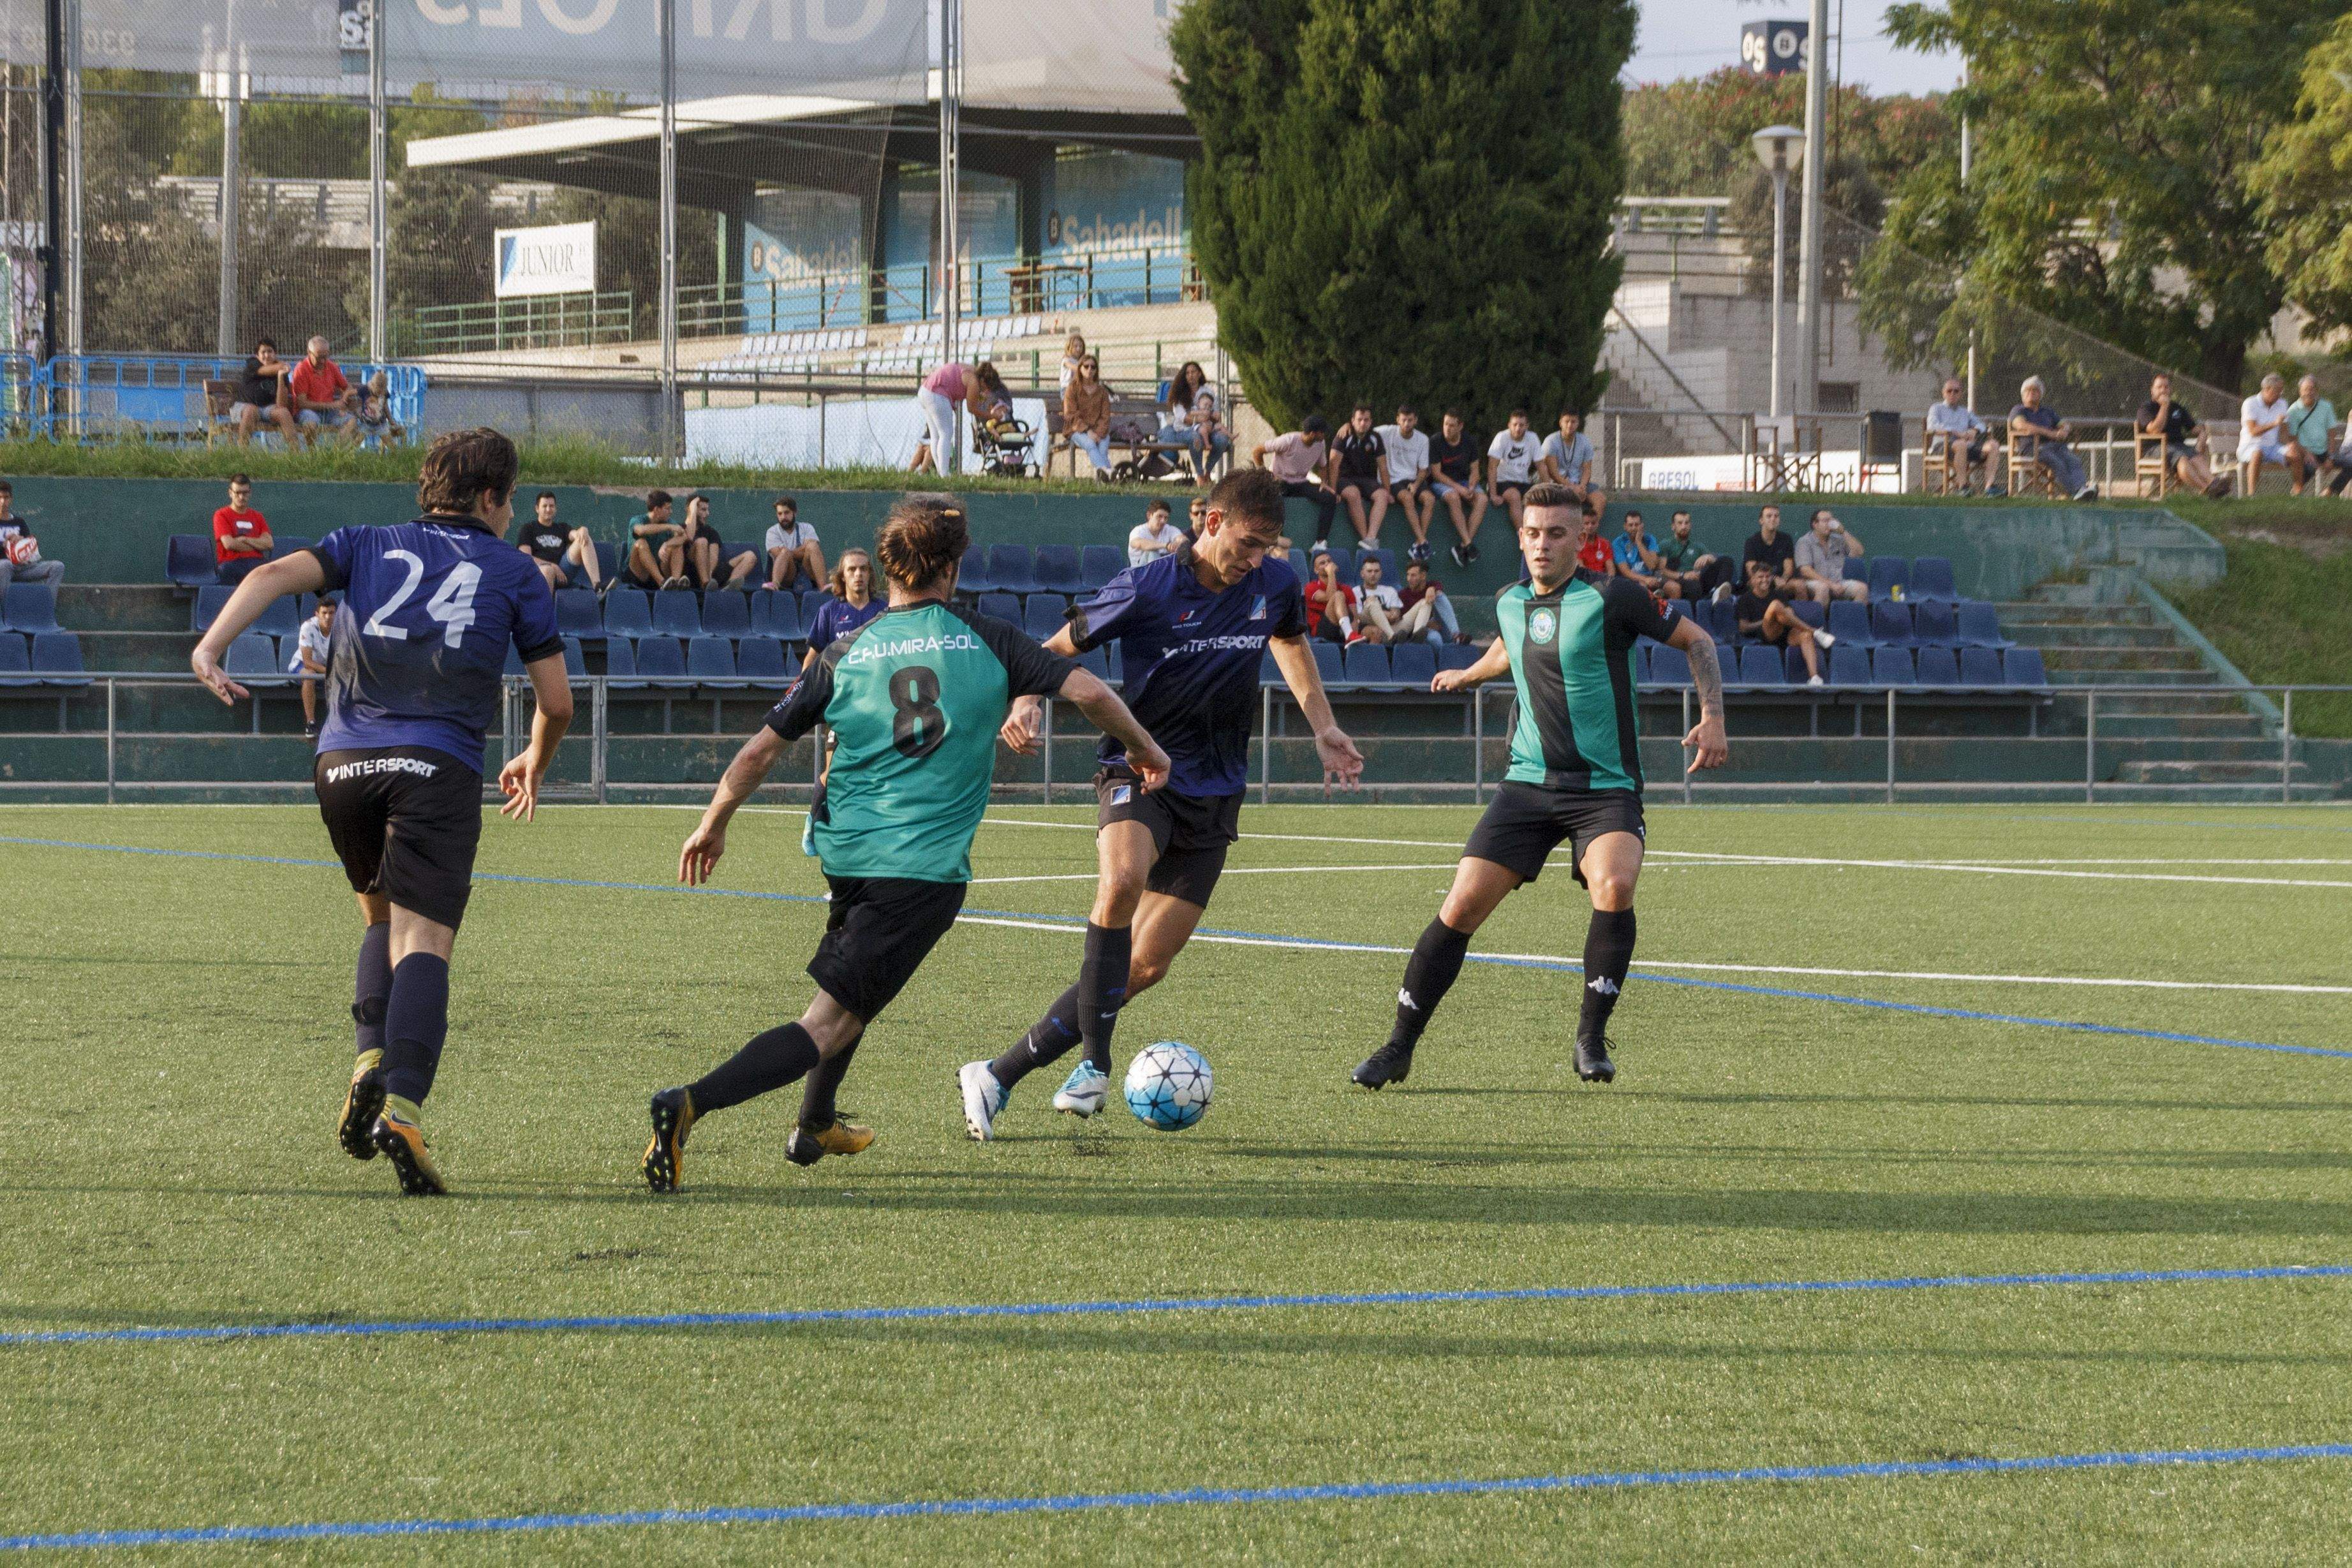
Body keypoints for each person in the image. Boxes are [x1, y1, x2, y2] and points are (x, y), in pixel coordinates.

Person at [643, 494, 1168, 1189]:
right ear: (951, 567)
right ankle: (689, 1105)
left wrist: (713, 822)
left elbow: (758, 753)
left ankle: (814, 1124)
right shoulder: (989, 637)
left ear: (888, 569)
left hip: (845, 853)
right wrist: (1148, 750)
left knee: (859, 993)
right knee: (827, 1022)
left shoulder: (844, 650)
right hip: (918, 873)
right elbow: (1094, 694)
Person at [189, 427, 572, 1196]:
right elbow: (556, 701)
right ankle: (402, 1107)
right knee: (424, 939)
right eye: (508, 501)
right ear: (493, 499)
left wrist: (209, 649)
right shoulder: (515, 568)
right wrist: (535, 755)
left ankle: (368, 1054)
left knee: (378, 918)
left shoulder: (363, 541)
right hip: (438, 765)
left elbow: (268, 573)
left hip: (344, 765)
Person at [963, 468, 1366, 1137]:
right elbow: (1057, 649)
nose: (1256, 559)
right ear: (1211, 523)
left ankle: (997, 1073)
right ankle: (1095, 1061)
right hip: (1137, 767)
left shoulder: (1274, 584)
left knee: (1146, 963)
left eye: (1268, 546)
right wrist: (1028, 698)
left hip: (1216, 792)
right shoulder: (1147, 585)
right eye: (1248, 542)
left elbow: (1290, 642)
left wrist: (1322, 724)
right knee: (1120, 881)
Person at [1352, 482, 1727, 1091]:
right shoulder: (1509, 601)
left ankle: (1589, 1037)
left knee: (1615, 883)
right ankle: (1398, 1046)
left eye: (1556, 533)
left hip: (1604, 788)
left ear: (1581, 539)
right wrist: (1469, 675)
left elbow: (1698, 641)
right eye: (1532, 532)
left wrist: (1711, 716)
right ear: (1520, 537)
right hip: (1527, 786)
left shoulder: (1614, 596)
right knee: (1460, 906)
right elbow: (1510, 646)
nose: (1542, 544)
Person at [1734, 558, 1831, 686]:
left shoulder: (1778, 594)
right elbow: (1743, 627)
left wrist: (1780, 616)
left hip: (1785, 632)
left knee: (1805, 636)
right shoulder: (1745, 599)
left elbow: (1789, 614)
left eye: (1768, 576)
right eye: (1760, 577)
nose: (1765, 580)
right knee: (1775, 606)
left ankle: (1814, 678)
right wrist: (1767, 620)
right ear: (1752, 580)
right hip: (1765, 634)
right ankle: (1815, 631)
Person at [2138, 373, 2228, 499]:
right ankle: (2207, 489)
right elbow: (2155, 431)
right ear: (2152, 390)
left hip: (2178, 446)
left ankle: (2214, 483)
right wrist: (2164, 406)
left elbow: (2193, 428)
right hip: (2155, 448)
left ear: (2170, 390)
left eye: (2166, 387)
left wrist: (2203, 433)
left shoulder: (2177, 408)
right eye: (2159, 387)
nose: (2163, 390)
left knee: (2196, 457)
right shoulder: (2146, 408)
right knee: (2182, 459)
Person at [2009, 377, 2098, 502]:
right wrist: (2051, 433)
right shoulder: (2019, 410)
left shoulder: (2048, 411)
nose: (2031, 393)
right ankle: (2077, 492)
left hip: (2055, 446)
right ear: (2023, 395)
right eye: (2028, 391)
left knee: (2074, 460)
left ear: (2040, 394)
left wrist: (2065, 430)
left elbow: (2063, 423)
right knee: (2057, 462)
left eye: (2035, 390)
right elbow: (2021, 425)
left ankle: (2082, 489)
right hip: (2033, 449)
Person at [912, 360, 1006, 475]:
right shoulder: (975, 382)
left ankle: (941, 473)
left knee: (936, 436)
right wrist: (992, 415)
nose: (986, 391)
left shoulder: (972, 371)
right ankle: (944, 475)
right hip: (937, 394)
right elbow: (972, 409)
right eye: (987, 388)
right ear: (983, 381)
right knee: (946, 434)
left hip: (925, 391)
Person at [1252, 415, 1335, 544]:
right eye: (1322, 432)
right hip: (1280, 482)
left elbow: (1323, 466)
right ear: (1313, 434)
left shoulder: (1320, 444)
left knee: (1329, 498)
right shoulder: (1288, 440)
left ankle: (1321, 542)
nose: (1325, 435)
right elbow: (1257, 451)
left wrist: (1324, 482)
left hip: (1301, 483)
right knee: (1273, 501)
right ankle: (1275, 540)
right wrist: (1263, 474)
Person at [801, 547, 884, 672]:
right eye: (852, 569)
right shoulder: (828, 611)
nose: (858, 574)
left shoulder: (885, 611)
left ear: (869, 574)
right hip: (841, 684)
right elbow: (813, 655)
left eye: (863, 569)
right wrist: (802, 686)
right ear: (843, 576)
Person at [1427, 410, 1488, 566]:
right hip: (1441, 483)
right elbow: (1436, 474)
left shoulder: (1470, 441)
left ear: (1460, 426)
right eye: (1445, 424)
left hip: (1464, 482)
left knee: (1482, 499)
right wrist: (1459, 489)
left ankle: (1462, 546)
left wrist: (1472, 486)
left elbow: (1475, 469)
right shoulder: (1435, 441)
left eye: (1452, 425)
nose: (1448, 428)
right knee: (1453, 497)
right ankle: (1468, 544)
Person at [666, 494, 757, 591]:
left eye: (708, 510)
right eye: (703, 510)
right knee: (701, 542)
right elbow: (689, 537)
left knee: (750, 556)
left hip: (710, 572)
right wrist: (693, 510)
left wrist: (709, 574)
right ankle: (705, 584)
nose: (708, 514)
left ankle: (729, 586)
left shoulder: (711, 531)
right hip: (689, 574)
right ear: (690, 509)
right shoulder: (678, 528)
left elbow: (714, 556)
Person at [1329, 403, 1387, 547]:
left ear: (1371, 422)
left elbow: (1383, 467)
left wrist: (1388, 491)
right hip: (1345, 479)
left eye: (1366, 420)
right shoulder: (1343, 436)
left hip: (1367, 480)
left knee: (1382, 496)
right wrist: (1332, 490)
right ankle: (1365, 539)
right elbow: (1333, 465)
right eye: (1360, 419)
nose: (1363, 423)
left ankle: (1370, 538)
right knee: (1353, 494)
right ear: (1353, 421)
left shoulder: (1375, 438)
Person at [515, 491, 597, 595]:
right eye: (545, 506)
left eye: (552, 506)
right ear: (537, 509)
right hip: (539, 573)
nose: (548, 509)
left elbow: (575, 535)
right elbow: (526, 557)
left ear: (556, 508)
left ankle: (597, 587)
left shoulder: (562, 528)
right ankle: (546, 609)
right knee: (548, 571)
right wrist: (552, 566)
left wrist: (582, 530)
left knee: (584, 538)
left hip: (564, 572)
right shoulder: (528, 529)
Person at [1374, 404, 1432, 548]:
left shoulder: (1423, 439)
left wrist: (1416, 485)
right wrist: (1347, 425)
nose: (1407, 424)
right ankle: (1422, 542)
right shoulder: (1386, 432)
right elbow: (1363, 428)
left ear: (1415, 421)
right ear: (1398, 420)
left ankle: (1420, 541)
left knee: (1430, 499)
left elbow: (1424, 470)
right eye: (1404, 420)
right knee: (1407, 498)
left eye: (1410, 420)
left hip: (1413, 479)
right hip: (1392, 480)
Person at [1925, 378, 1996, 494]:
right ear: (1944, 393)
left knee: (1993, 445)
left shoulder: (1965, 412)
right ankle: (1962, 487)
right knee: (1961, 444)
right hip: (1942, 447)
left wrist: (1974, 431)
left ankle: (1990, 487)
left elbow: (1981, 425)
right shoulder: (1936, 408)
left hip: (1966, 447)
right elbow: (1932, 426)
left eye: (1956, 391)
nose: (1953, 393)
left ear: (1960, 394)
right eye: (1949, 391)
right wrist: (1956, 432)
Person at [228, 337, 299, 447]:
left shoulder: (282, 372)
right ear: (257, 356)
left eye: (270, 351)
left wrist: (280, 377)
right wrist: (282, 366)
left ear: (275, 354)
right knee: (252, 410)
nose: (267, 355)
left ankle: (295, 453)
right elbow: (269, 369)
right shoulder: (252, 364)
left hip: (267, 409)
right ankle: (241, 451)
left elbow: (281, 404)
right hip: (244, 406)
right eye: (263, 352)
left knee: (283, 412)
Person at [2282, 375, 2346, 496]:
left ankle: (2329, 492)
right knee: (2310, 468)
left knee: (2350, 464)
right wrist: (2307, 454)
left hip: (2324, 453)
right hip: (2305, 454)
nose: (2308, 392)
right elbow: (2292, 439)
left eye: (2312, 389)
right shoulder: (2293, 411)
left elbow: (2332, 434)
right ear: (2300, 391)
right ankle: (2295, 493)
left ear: (2317, 391)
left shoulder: (2326, 407)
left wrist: (2330, 457)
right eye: (2305, 389)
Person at [290, 336, 359, 447]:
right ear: (309, 353)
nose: (323, 361)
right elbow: (302, 403)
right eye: (319, 357)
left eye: (326, 356)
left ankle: (334, 454)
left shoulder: (331, 366)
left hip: (330, 412)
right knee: (311, 425)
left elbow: (347, 388)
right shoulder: (301, 369)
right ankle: (312, 456)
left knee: (352, 422)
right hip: (307, 411)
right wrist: (331, 405)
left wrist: (344, 399)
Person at [1794, 507, 1868, 603]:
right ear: (1815, 524)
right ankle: (1819, 618)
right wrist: (1830, 585)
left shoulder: (1838, 539)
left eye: (1831, 520)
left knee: (1862, 589)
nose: (1829, 524)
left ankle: (1850, 618)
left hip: (1838, 582)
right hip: (1813, 583)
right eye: (1825, 521)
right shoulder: (1804, 542)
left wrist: (1843, 532)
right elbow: (1805, 571)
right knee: (1823, 589)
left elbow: (1859, 552)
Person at [1486, 410, 1542, 536]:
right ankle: (1523, 535)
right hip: (1502, 482)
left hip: (1523, 482)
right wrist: (1493, 494)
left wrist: (1548, 488)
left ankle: (1538, 532)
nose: (1518, 428)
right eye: (1515, 424)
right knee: (1514, 495)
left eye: (1522, 425)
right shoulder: (1502, 437)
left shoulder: (1532, 438)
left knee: (1538, 496)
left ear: (1527, 426)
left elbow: (1541, 466)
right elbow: (1492, 467)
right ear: (1509, 425)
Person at [1653, 509, 1729, 602]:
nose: (1684, 526)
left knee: (1727, 560)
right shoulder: (1666, 544)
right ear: (1673, 527)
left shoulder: (1698, 546)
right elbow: (1661, 570)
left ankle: (1717, 593)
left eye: (1687, 523)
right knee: (1694, 587)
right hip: (1679, 581)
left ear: (1690, 525)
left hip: (1699, 579)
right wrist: (1684, 575)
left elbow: (1714, 561)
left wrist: (1707, 557)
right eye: (1680, 523)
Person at [1060, 353, 1114, 480]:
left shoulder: (1102, 391)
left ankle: (1103, 478)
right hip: (1076, 430)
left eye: (1093, 367)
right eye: (1086, 366)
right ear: (1080, 368)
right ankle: (1108, 472)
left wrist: (1099, 433)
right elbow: (1071, 415)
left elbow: (1105, 416)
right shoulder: (1072, 389)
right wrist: (1088, 431)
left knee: (1103, 446)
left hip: (1100, 431)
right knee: (1090, 444)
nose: (1090, 370)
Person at [2239, 372, 2294, 494]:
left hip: (2273, 447)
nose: (2280, 394)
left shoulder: (2282, 404)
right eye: (2278, 391)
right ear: (2267, 389)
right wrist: (2274, 424)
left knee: (2295, 453)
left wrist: (2288, 445)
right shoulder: (2250, 403)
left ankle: (2297, 492)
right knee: (2257, 453)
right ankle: (2251, 494)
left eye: (2281, 391)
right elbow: (2253, 432)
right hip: (2250, 446)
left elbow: (2284, 430)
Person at [212, 474, 273, 584]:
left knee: (271, 570)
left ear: (250, 493)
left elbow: (269, 544)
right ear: (230, 493)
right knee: (224, 570)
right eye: (237, 493)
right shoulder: (221, 515)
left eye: (245, 493)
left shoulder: (258, 516)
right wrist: (257, 546)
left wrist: (245, 539)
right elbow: (229, 544)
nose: (241, 497)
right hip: (231, 563)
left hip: (257, 563)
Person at [0, 482, 61, 590]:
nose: (3, 502)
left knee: (57, 567)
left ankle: (46, 605)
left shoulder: (19, 522)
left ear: (11, 499)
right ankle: (7, 607)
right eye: (0, 498)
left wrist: (22, 541)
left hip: (21, 568)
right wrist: (5, 546)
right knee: (5, 565)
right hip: (3, 568)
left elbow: (31, 550)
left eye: (6, 498)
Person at [289, 595, 336, 737]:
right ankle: (311, 724)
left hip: (327, 667)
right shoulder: (308, 627)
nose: (328, 617)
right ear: (317, 614)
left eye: (332, 613)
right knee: (309, 675)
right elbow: (308, 661)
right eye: (324, 613)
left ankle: (339, 724)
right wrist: (331, 673)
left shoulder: (343, 627)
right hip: (301, 665)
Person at [1740, 504, 1805, 602]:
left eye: (1776, 516)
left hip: (1781, 582)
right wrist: (1772, 579)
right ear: (1761, 520)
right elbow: (1752, 571)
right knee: (1756, 583)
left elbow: (1789, 569)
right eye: (1769, 516)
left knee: (1800, 585)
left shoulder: (1786, 539)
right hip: (1759, 581)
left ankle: (1799, 617)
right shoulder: (1752, 542)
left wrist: (1783, 580)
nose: (1773, 519)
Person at [1541, 410, 1602, 511]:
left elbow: (1587, 469)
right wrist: (1571, 487)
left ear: (1578, 424)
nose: (1570, 425)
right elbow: (1553, 473)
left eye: (1573, 422)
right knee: (1565, 501)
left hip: (1579, 483)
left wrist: (1582, 487)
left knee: (1600, 500)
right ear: (1561, 423)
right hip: (1557, 483)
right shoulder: (1551, 441)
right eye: (1567, 421)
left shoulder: (1585, 442)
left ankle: (1588, 526)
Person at [764, 496, 826, 593]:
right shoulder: (772, 532)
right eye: (780, 514)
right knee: (784, 553)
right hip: (787, 575)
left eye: (787, 513)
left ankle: (823, 588)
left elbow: (812, 548)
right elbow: (778, 554)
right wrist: (802, 550)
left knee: (813, 546)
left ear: (795, 512)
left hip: (807, 571)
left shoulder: (807, 527)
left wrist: (789, 552)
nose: (783, 517)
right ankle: (775, 585)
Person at [625, 490, 681, 590]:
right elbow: (641, 530)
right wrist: (668, 527)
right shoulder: (637, 520)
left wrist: (667, 544)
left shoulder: (668, 522)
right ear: (657, 510)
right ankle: (662, 583)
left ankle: (676, 584)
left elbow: (684, 536)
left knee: (677, 545)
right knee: (641, 543)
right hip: (637, 574)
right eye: (668, 508)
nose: (671, 511)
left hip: (656, 572)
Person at [1394, 559, 1461, 643]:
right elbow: (1405, 623)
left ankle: (1457, 635)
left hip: (1440, 626)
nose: (1409, 579)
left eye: (1413, 575)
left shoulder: (1432, 586)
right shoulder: (1403, 595)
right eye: (1408, 575)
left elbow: (1438, 585)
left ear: (1423, 576)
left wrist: (1432, 589)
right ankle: (1445, 649)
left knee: (1440, 596)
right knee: (1434, 639)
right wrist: (1427, 624)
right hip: (1420, 631)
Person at [1303, 548, 1358, 642]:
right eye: (1322, 563)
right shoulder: (1311, 587)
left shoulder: (1347, 589)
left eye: (1329, 561)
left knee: (1374, 632)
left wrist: (1355, 635)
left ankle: (1351, 639)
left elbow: (1354, 617)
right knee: (1338, 595)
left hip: (1342, 629)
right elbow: (1330, 597)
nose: (1327, 564)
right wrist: (1331, 573)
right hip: (1322, 629)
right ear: (1316, 570)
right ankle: (1349, 633)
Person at [1609, 508, 1665, 592]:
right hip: (1631, 581)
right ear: (1625, 526)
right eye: (1631, 525)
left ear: (1642, 526)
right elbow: (1625, 572)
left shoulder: (1650, 539)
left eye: (1637, 525)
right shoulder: (1618, 543)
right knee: (1643, 586)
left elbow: (1652, 565)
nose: (1634, 528)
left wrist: (1638, 542)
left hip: (1652, 577)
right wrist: (1645, 579)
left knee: (1673, 588)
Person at [1354, 554, 1403, 644]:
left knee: (1423, 603)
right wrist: (1386, 614)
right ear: (1362, 574)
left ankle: (1414, 638)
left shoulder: (1390, 591)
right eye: (1369, 571)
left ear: (1381, 573)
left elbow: (1396, 614)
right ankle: (1392, 636)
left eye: (1376, 571)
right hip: (1366, 625)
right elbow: (1359, 617)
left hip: (1391, 625)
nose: (1373, 574)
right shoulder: (1355, 592)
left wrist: (1393, 615)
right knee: (1372, 601)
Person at [1188, 389, 1232, 482]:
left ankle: (1231, 436)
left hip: (1210, 428)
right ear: (1199, 403)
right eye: (1205, 405)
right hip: (1200, 428)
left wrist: (1216, 416)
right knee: (1199, 435)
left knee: (1220, 429)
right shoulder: (1197, 409)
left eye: (1210, 406)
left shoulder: (1210, 409)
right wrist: (1201, 413)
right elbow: (1191, 413)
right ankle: (1200, 474)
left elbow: (1217, 418)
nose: (1207, 407)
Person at [353, 371, 405, 448]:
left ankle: (395, 457)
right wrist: (356, 412)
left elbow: (385, 406)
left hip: (381, 424)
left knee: (391, 445)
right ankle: (348, 457)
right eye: (378, 392)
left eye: (382, 392)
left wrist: (391, 421)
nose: (379, 394)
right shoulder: (365, 389)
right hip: (366, 423)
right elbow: (352, 395)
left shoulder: (385, 392)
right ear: (373, 386)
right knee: (357, 442)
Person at [1129, 497, 1185, 566]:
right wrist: (1166, 545)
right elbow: (1139, 544)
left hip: (1165, 572)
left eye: (1166, 518)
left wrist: (1180, 543)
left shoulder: (1170, 529)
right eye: (1159, 516)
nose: (1163, 521)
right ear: (1149, 515)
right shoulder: (1138, 531)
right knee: (1152, 552)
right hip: (1139, 574)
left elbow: (1182, 539)